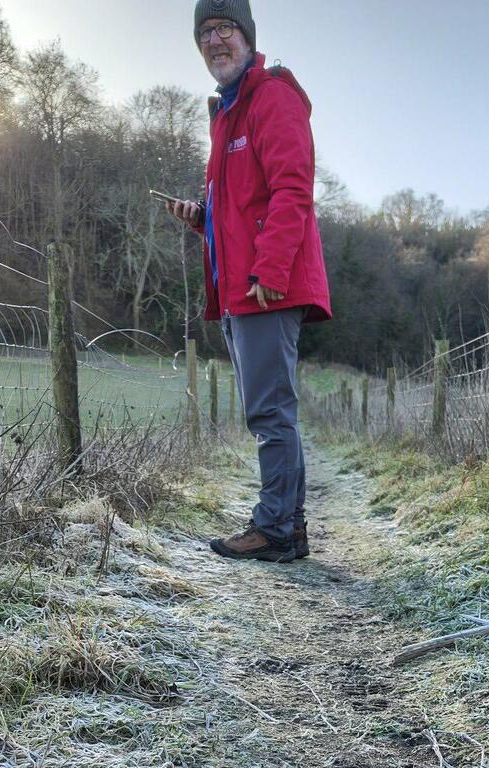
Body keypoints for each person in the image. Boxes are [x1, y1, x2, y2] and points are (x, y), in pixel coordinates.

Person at [168, 0, 331, 564]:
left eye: (225, 28)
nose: (215, 41)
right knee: (270, 411)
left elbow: (293, 189)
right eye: (205, 33)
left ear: (247, 36)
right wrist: (202, 219)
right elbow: (241, 209)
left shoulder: (272, 96)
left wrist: (272, 268)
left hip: (266, 286)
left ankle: (276, 529)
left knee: (268, 413)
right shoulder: (227, 113)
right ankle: (288, 527)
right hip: (241, 286)